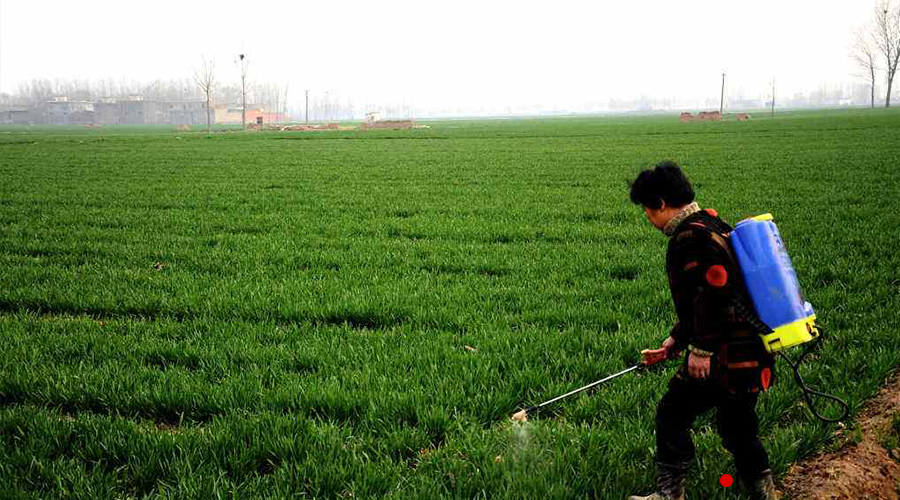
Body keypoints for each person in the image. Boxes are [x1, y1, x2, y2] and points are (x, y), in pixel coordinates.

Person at [626, 161, 777, 500]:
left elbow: (714, 295)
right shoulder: (711, 224)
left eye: (648, 211)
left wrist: (700, 350)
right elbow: (705, 299)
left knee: (672, 412)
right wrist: (676, 340)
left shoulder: (689, 237)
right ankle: (764, 491)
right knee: (737, 425)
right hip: (750, 350)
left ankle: (669, 495)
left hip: (724, 354)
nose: (649, 219)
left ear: (662, 203)